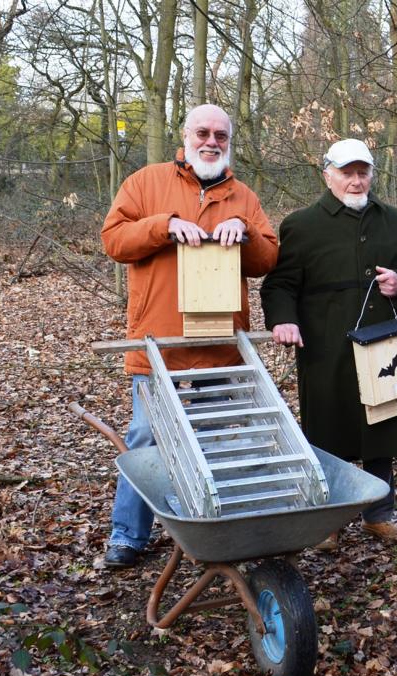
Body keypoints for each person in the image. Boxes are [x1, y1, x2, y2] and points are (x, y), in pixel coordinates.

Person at [101, 103, 279, 568]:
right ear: (185, 136)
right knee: (146, 440)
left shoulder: (243, 196)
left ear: (229, 142)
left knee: (216, 441)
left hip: (220, 347)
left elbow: (266, 261)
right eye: (203, 132)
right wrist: (163, 226)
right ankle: (128, 535)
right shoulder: (145, 182)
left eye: (221, 135)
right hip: (157, 346)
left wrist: (245, 231)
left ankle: (211, 528)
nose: (211, 142)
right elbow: (114, 240)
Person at [260, 138, 397, 548]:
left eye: (363, 172)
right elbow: (280, 285)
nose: (356, 181)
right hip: (326, 349)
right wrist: (284, 319)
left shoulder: (396, 222)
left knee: (383, 429)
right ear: (327, 174)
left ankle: (378, 514)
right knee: (330, 431)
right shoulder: (302, 225)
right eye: (347, 173)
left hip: (382, 346)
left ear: (372, 175)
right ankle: (329, 522)